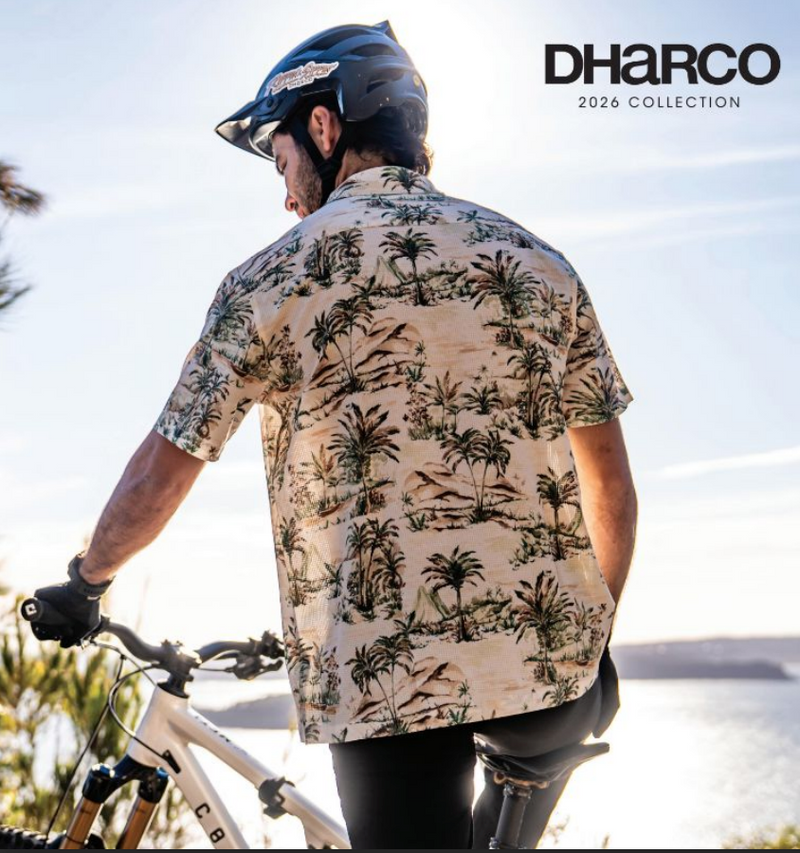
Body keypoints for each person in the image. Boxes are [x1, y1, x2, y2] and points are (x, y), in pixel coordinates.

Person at [28, 20, 638, 849]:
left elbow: (157, 476)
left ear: (324, 126)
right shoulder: (541, 263)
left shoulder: (272, 278)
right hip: (560, 680)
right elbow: (612, 490)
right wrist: (589, 639)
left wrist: (86, 579)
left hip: (392, 690)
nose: (286, 195)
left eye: (281, 162)